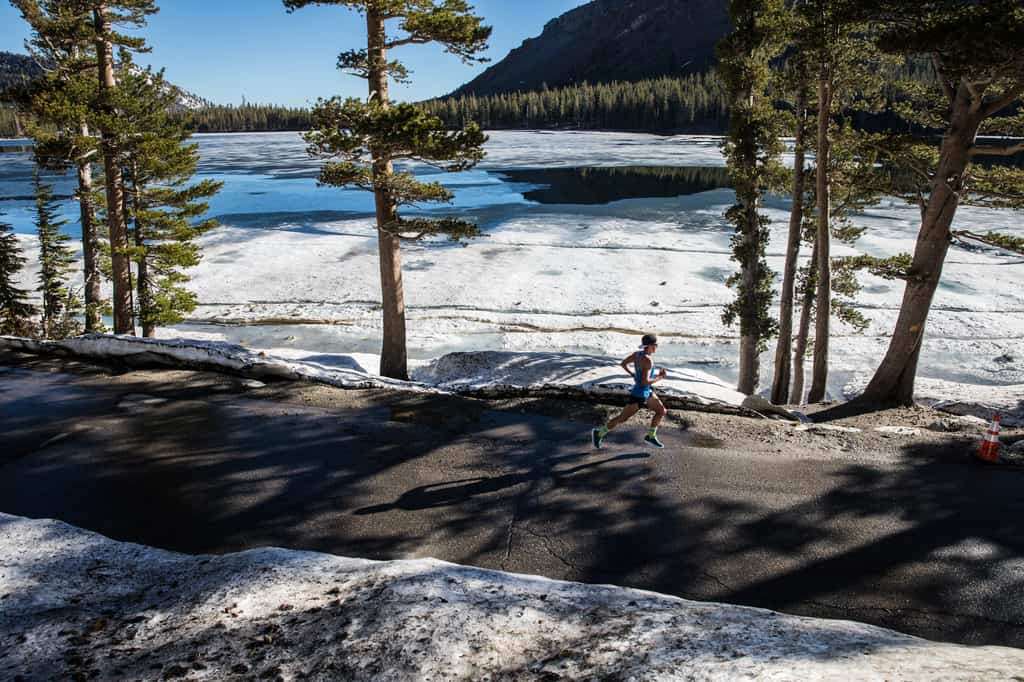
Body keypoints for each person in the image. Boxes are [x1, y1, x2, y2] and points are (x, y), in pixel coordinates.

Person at [592, 333, 668, 449]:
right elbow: (644, 382)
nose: (656, 347)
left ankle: (651, 436)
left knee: (662, 411)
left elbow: (623, 364)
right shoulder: (648, 361)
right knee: (621, 419)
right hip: (639, 395)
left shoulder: (637, 355)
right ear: (650, 346)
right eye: (656, 345)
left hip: (646, 392)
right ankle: (599, 433)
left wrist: (633, 374)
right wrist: (660, 377)